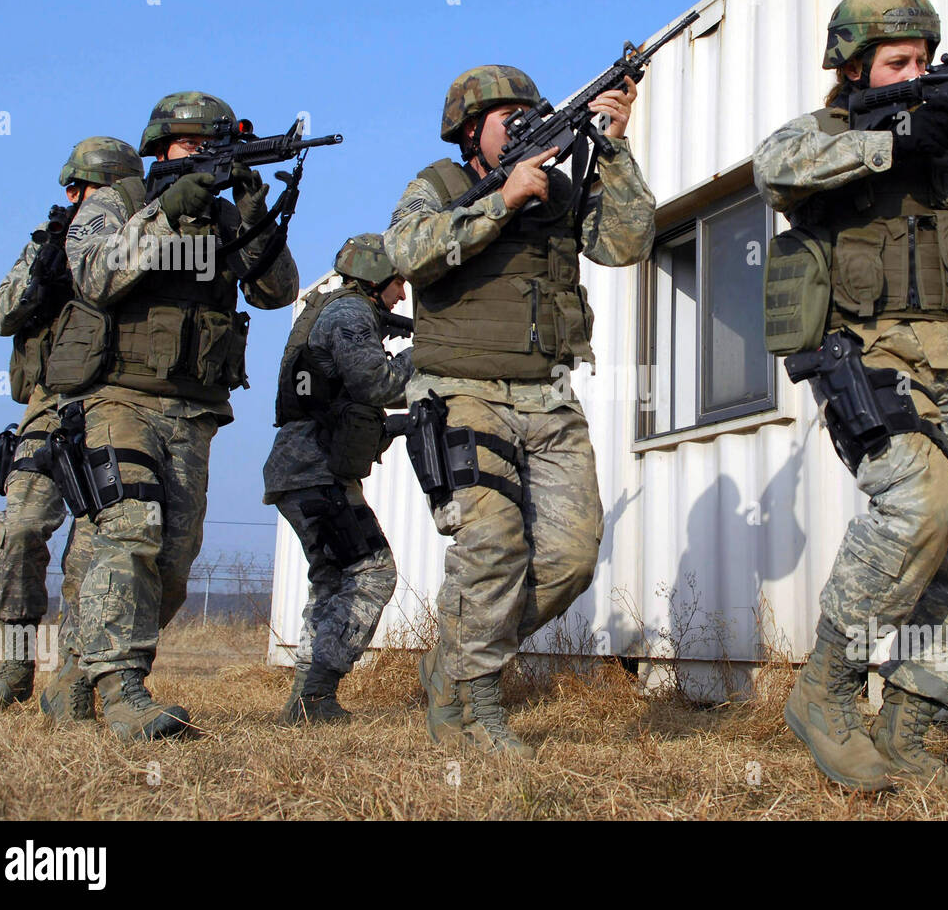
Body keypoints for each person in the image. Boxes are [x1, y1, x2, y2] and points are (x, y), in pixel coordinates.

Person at [753, 0, 948, 799]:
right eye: (898, 62)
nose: (916, 74)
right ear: (855, 68)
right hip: (867, 349)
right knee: (922, 509)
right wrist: (891, 143)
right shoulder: (826, 134)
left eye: (925, 61)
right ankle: (825, 689)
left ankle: (909, 724)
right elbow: (774, 170)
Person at [383, 65, 655, 757]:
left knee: (569, 557)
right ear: (471, 129)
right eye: (507, 115)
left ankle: (455, 658)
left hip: (548, 395)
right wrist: (501, 201)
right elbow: (411, 253)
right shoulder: (439, 186)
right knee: (493, 546)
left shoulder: (559, 191)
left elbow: (626, 243)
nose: (522, 122)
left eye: (531, 113)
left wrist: (615, 146)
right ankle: (473, 705)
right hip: (462, 390)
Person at [60, 91, 299, 739]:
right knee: (130, 529)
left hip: (194, 410)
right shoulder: (122, 200)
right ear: (163, 147)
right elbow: (92, 274)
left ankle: (78, 675)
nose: (205, 159)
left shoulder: (223, 218)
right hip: (120, 397)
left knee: (171, 564)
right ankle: (123, 691)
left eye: (216, 147)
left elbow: (277, 291)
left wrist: (251, 206)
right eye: (196, 146)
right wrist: (167, 211)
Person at [0, 137, 143, 719]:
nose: (74, 197)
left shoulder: (138, 239)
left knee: (90, 553)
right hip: (49, 404)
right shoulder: (45, 242)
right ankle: (16, 665)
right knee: (17, 529)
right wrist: (41, 281)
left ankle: (71, 680)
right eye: (71, 188)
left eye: (86, 187)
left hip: (113, 402)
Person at [263, 233, 413, 724]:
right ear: (376, 278)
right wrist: (428, 349)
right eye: (399, 283)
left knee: (331, 580)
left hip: (304, 469)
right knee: (372, 572)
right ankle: (316, 695)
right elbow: (380, 383)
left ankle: (307, 701)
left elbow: (340, 396)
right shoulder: (349, 315)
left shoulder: (330, 308)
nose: (403, 295)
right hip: (315, 471)